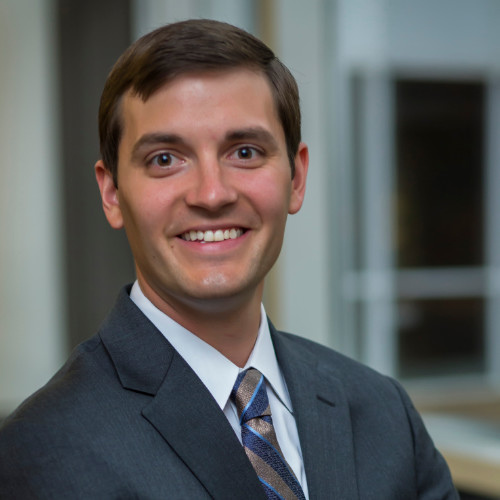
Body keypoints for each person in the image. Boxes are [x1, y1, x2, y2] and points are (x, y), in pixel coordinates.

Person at [0, 19, 458, 499]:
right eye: (164, 159)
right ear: (112, 192)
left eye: (244, 151)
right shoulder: (43, 452)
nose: (212, 194)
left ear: (296, 178)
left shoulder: (383, 415)